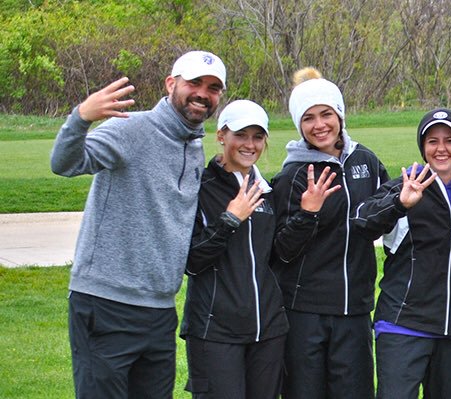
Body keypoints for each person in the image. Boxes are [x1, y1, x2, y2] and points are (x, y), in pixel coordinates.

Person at [50, 50, 225, 398]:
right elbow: (65, 163)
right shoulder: (130, 129)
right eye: (194, 83)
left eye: (213, 87)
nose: (203, 93)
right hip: (106, 304)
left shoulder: (194, 146)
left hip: (160, 311)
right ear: (171, 84)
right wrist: (81, 117)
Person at [182, 100, 341, 399]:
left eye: (257, 136)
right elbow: (192, 261)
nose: (250, 144)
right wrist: (230, 219)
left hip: (267, 331)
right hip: (215, 332)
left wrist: (307, 214)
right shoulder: (201, 188)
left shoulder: (267, 191)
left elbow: (280, 253)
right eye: (241, 135)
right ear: (221, 135)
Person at [271, 68, 389, 399]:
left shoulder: (365, 160)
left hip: (354, 308)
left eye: (326, 114)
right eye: (308, 118)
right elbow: (281, 251)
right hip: (304, 312)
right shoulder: (293, 175)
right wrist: (308, 214)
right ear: (299, 124)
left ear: (340, 115)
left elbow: (382, 219)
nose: (319, 125)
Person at [351, 108, 451, 398]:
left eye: (450, 140)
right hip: (404, 325)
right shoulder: (406, 185)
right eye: (432, 141)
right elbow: (361, 221)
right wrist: (400, 203)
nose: (441, 148)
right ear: (423, 147)